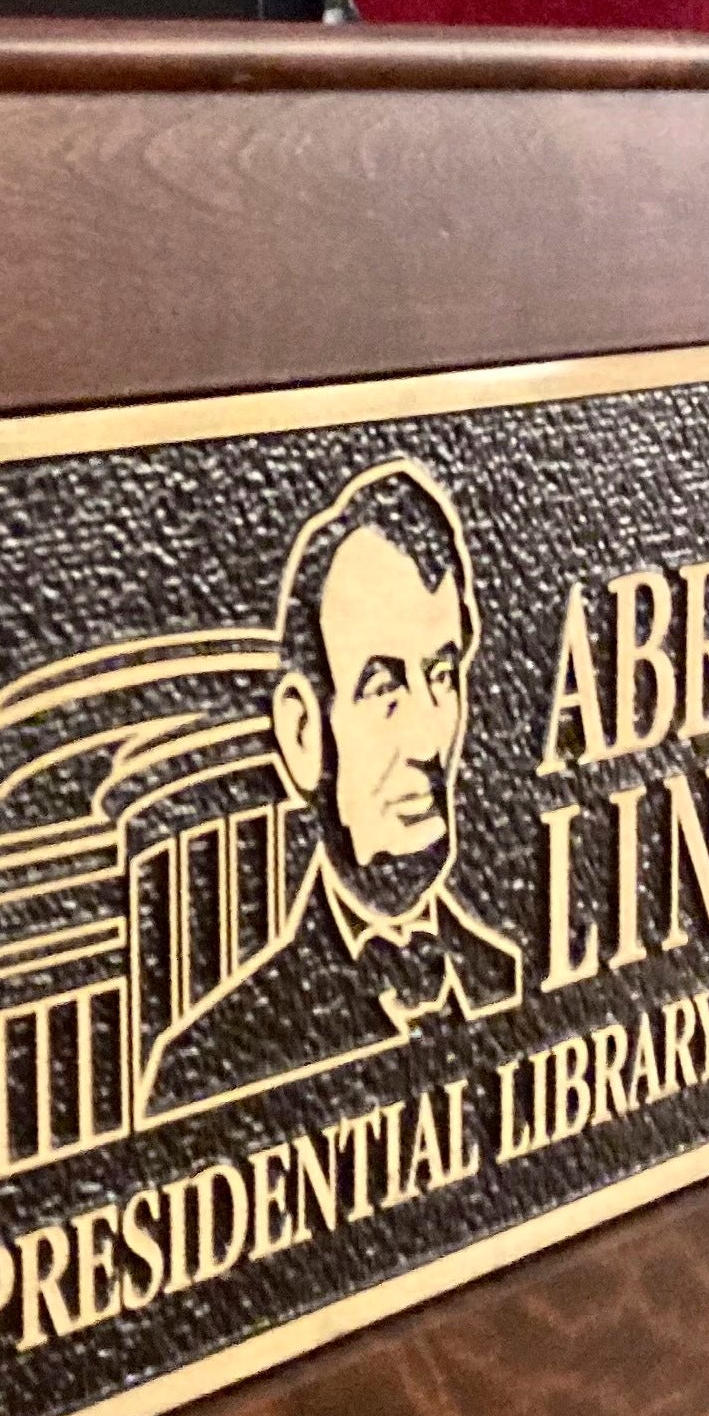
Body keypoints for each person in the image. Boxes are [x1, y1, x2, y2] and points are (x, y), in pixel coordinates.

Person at [132, 460, 525, 1126]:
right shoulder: (210, 1063)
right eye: (383, 687)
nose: (430, 736)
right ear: (301, 730)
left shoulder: (504, 976)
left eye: (442, 675)